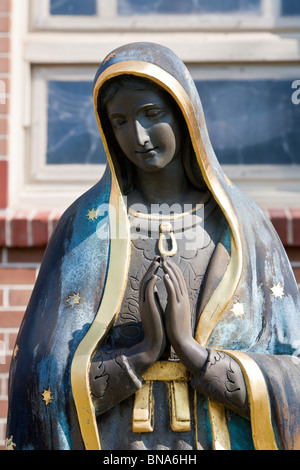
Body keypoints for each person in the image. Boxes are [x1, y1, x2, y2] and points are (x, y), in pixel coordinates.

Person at [5, 42, 300, 450]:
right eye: (120, 121)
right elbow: (41, 377)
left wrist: (195, 355)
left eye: (152, 114)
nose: (138, 137)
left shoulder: (243, 228)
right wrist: (141, 355)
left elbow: (293, 368)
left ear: (184, 115)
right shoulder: (85, 228)